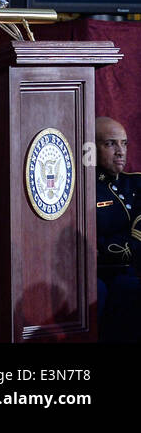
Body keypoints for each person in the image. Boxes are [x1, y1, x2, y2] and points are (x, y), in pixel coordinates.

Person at [96, 116, 141, 342]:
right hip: (95, 275)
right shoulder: (84, 189)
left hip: (129, 270)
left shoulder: (136, 184)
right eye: (110, 144)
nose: (120, 151)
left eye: (124, 143)